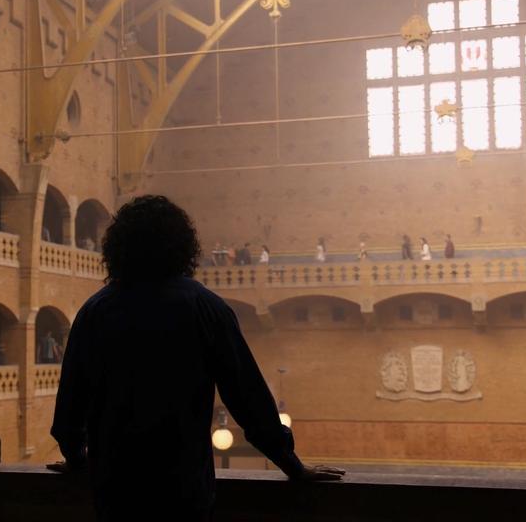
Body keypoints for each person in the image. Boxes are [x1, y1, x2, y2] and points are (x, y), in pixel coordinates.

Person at [49, 196, 344, 521]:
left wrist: (77, 460)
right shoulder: (206, 308)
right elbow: (247, 396)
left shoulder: (94, 312)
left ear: (117, 248)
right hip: (184, 491)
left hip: (117, 493)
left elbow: (71, 405)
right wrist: (292, 465)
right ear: (182, 246)